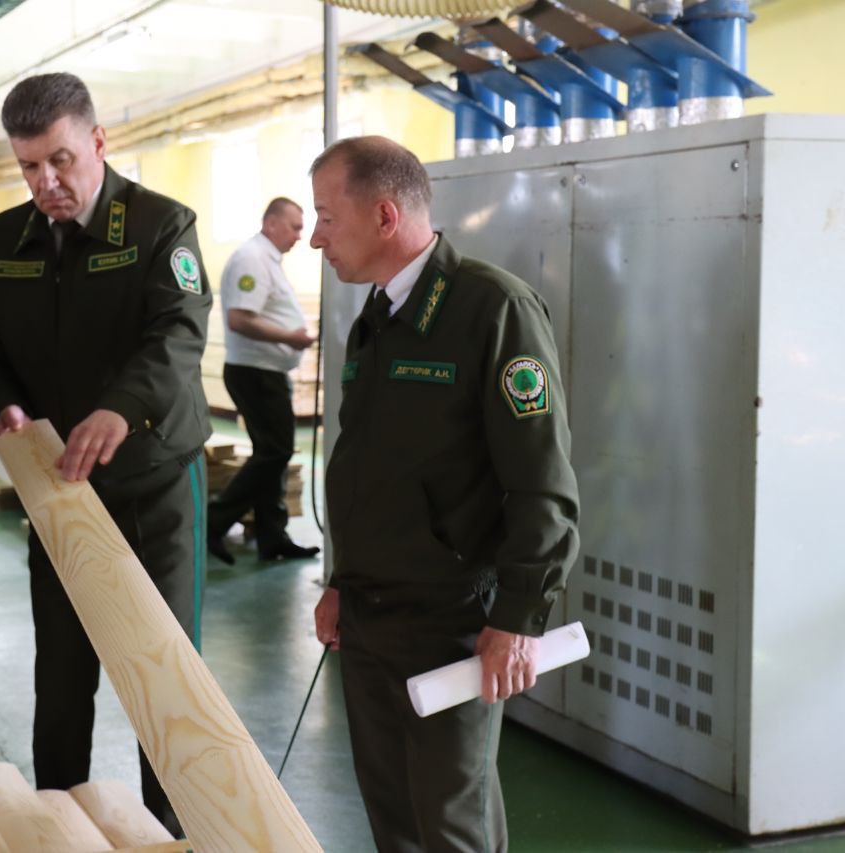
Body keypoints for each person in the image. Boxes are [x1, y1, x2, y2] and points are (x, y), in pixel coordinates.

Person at [309, 136, 579, 852]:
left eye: (327, 218)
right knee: (392, 815)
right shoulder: (377, 315)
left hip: (450, 618)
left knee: (451, 822)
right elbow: (370, 469)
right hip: (369, 613)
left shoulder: (493, 309)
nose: (315, 238)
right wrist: (341, 580)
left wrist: (518, 616)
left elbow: (542, 483)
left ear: (385, 216)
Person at [0, 72, 211, 834]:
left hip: (153, 482)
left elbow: (178, 335)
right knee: (63, 676)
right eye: (28, 166)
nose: (46, 182)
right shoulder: (2, 241)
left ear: (98, 142)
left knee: (163, 674)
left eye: (60, 160)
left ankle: (170, 830)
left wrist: (120, 407)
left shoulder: (161, 226)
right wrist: (2, 405)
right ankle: (58, 824)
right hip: (59, 490)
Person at [207, 197, 319, 564]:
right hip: (256, 373)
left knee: (271, 453)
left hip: (266, 372)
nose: (300, 236)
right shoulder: (252, 259)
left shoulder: (267, 260)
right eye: (295, 227)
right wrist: (291, 338)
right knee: (275, 452)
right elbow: (240, 319)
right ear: (271, 224)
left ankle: (273, 538)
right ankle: (214, 522)